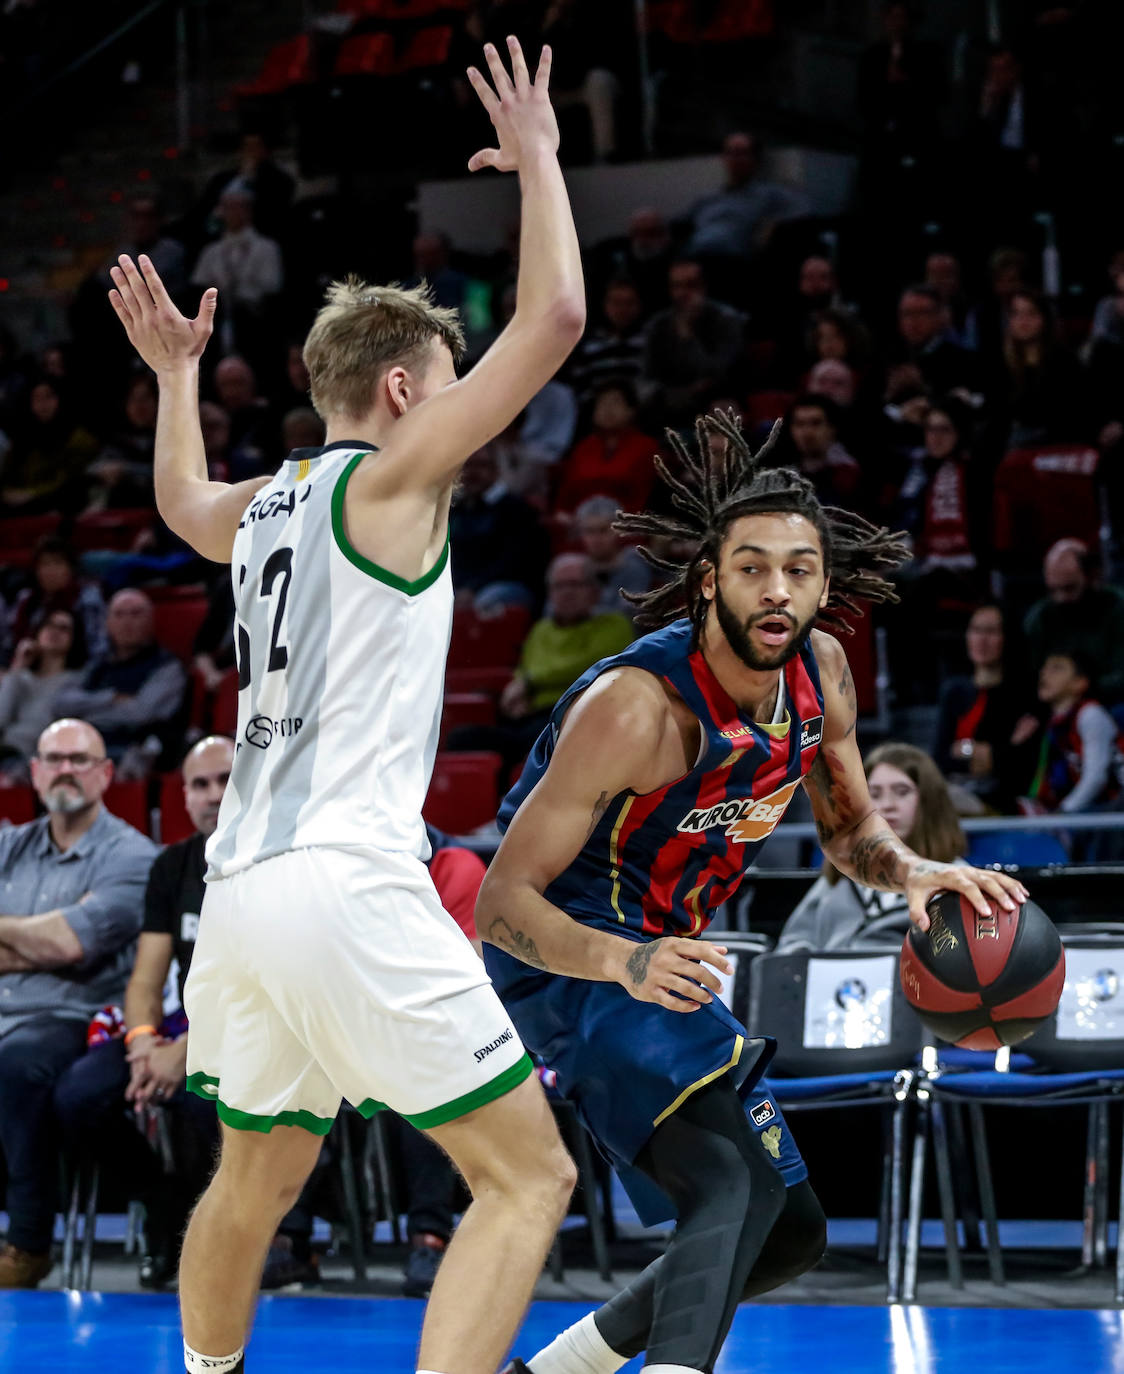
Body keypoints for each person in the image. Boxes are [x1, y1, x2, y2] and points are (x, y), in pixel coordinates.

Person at [108, 35, 584, 1374]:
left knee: (251, 1183)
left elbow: (176, 505)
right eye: (442, 386)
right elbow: (551, 325)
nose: (456, 415)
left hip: (240, 896)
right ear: (398, 390)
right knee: (527, 1176)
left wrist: (175, 380)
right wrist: (540, 165)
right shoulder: (387, 479)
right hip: (344, 877)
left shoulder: (264, 502)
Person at [478, 411, 1027, 1374]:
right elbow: (501, 905)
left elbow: (851, 830)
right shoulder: (635, 709)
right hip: (573, 952)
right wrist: (627, 960)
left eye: (800, 569)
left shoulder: (821, 674)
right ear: (709, 580)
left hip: (666, 956)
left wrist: (916, 870)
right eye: (752, 567)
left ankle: (550, 1372)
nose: (778, 590)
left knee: (788, 1232)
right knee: (725, 1183)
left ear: (824, 581)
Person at [52, 736, 234, 1288]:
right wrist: (141, 1045)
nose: (214, 795)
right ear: (182, 797)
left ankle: (222, 1238)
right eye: (200, 784)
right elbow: (145, 978)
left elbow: (265, 988)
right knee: (79, 1097)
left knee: (205, 1103)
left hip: (251, 1034)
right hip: (177, 1035)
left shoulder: (280, 864)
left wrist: (186, 1051)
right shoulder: (172, 867)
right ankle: (163, 1201)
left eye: (227, 780)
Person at [0, 717, 157, 1288]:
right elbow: (55, 939)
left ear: (106, 774)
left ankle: (28, 1243)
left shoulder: (132, 855)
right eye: (54, 758)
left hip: (78, 1017)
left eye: (80, 759)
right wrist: (38, 938)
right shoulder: (9, 844)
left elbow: (70, 943)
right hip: (8, 1012)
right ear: (36, 772)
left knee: (18, 1063)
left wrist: (42, 940)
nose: (66, 769)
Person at [448, 553, 634, 771]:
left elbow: (589, 666)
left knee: (537, 743)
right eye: (559, 586)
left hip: (576, 716)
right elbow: (525, 667)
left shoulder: (615, 624)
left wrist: (528, 682)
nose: (567, 593)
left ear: (595, 590)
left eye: (575, 584)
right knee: (462, 738)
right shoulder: (541, 629)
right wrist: (517, 693)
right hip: (531, 717)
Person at [778, 742, 966, 950]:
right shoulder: (839, 876)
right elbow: (792, 944)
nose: (887, 805)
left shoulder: (955, 878)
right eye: (874, 794)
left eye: (902, 792)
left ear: (930, 802)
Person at [55, 588, 187, 775]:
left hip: (130, 751)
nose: (127, 622)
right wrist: (111, 698)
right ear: (108, 623)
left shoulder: (167, 667)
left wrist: (84, 714)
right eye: (119, 615)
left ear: (151, 621)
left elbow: (141, 713)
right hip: (84, 747)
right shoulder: (96, 666)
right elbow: (61, 703)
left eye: (135, 614)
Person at [933, 603, 1039, 813]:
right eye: (976, 630)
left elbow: (1017, 766)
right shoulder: (954, 690)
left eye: (991, 631)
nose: (981, 639)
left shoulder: (1026, 693)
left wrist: (963, 749)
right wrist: (980, 750)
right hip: (956, 793)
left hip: (1004, 800)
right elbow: (940, 759)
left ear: (1007, 637)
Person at [1023, 539, 1124, 707]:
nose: (1060, 598)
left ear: (1092, 577)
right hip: (1055, 705)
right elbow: (1027, 673)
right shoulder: (1041, 616)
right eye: (1053, 590)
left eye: (1069, 588)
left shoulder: (1117, 607)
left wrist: (1080, 688)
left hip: (1109, 702)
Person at [1024, 652, 1124, 816]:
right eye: (1045, 668)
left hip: (1115, 807)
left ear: (1080, 683)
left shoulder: (1090, 714)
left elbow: (1096, 777)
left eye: (1057, 668)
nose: (1044, 673)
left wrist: (1063, 811)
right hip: (1089, 808)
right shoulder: (1054, 725)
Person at [0, 609, 88, 781]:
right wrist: (17, 667)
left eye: (64, 628)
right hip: (6, 752)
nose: (54, 631)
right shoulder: (19, 677)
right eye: (49, 625)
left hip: (37, 760)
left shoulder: (78, 680)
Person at [554, 379, 658, 514]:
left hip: (629, 521)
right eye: (602, 403)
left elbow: (644, 493)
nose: (608, 409)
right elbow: (566, 494)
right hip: (581, 522)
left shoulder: (646, 447)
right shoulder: (583, 447)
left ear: (631, 410)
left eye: (616, 402)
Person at [5, 534, 107, 663]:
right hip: (25, 670)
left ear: (70, 569)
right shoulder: (25, 599)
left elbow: (97, 648)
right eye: (45, 564)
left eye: (57, 563)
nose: (51, 571)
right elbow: (8, 645)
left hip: (75, 672)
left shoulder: (87, 598)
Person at [573, 494, 651, 620]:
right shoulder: (573, 569)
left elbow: (631, 614)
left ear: (618, 530)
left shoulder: (633, 566)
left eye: (603, 530)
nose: (596, 539)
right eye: (589, 531)